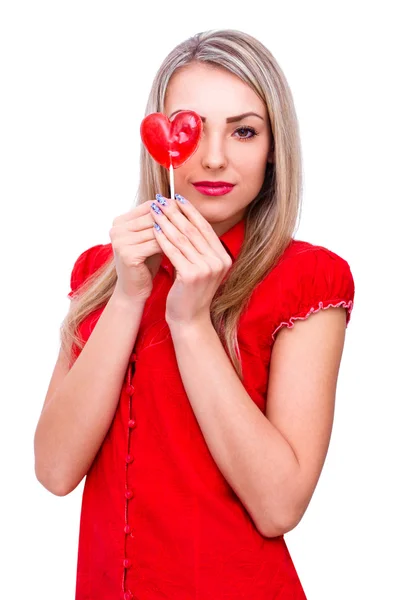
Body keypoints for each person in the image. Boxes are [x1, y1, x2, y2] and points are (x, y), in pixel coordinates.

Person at [34, 28, 355, 600]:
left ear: (274, 147)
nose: (213, 157)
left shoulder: (308, 279)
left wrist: (190, 322)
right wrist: (130, 295)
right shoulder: (100, 273)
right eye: (190, 129)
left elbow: (280, 505)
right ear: (160, 142)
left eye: (244, 131)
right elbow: (55, 471)